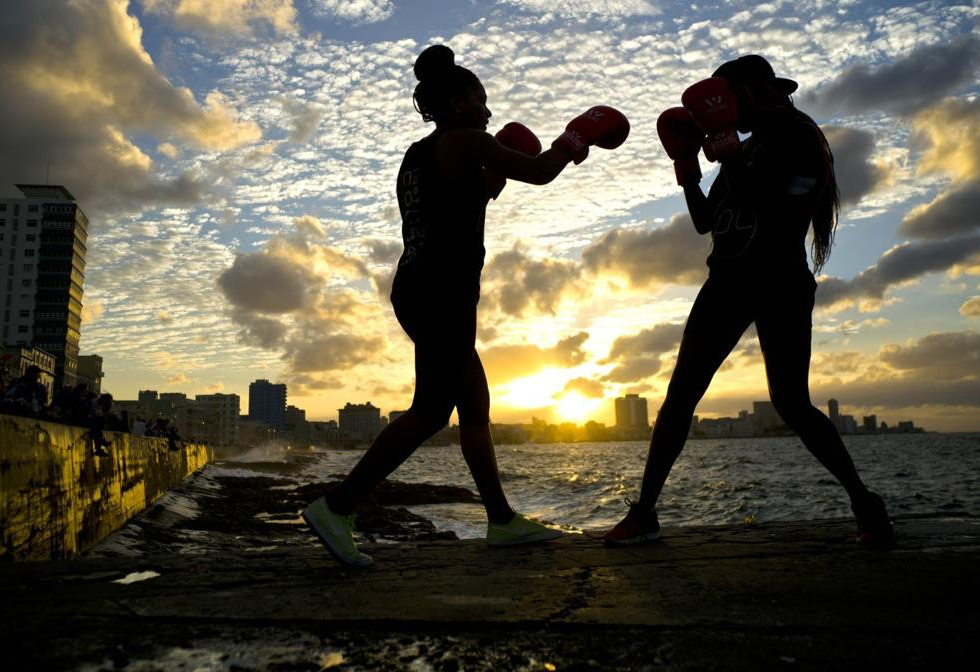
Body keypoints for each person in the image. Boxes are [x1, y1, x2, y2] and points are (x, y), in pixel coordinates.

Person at [303, 44, 629, 565]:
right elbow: (542, 172)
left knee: (474, 409)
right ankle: (337, 507)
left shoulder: (418, 156)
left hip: (422, 284)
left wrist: (490, 178)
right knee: (433, 410)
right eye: (482, 99)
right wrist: (576, 137)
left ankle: (500, 521)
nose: (489, 111)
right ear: (458, 103)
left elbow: (455, 203)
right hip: (440, 290)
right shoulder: (466, 140)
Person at [606, 55, 893, 547]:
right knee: (679, 397)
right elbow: (705, 221)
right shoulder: (746, 142)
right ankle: (646, 512)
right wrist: (687, 169)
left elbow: (782, 204)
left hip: (780, 279)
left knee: (791, 402)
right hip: (727, 281)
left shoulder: (801, 136)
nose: (727, 115)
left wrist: (728, 151)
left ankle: (865, 503)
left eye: (729, 102)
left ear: (752, 92)